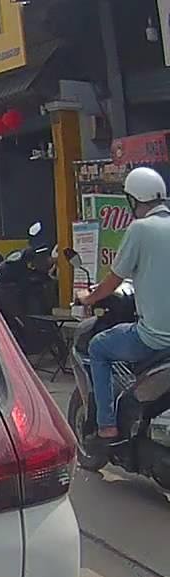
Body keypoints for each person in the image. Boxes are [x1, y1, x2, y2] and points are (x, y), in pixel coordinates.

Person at [78, 166, 170, 451]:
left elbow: (114, 280)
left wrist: (88, 298)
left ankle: (107, 426)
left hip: (153, 339)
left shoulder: (140, 229)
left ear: (133, 200)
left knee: (98, 347)